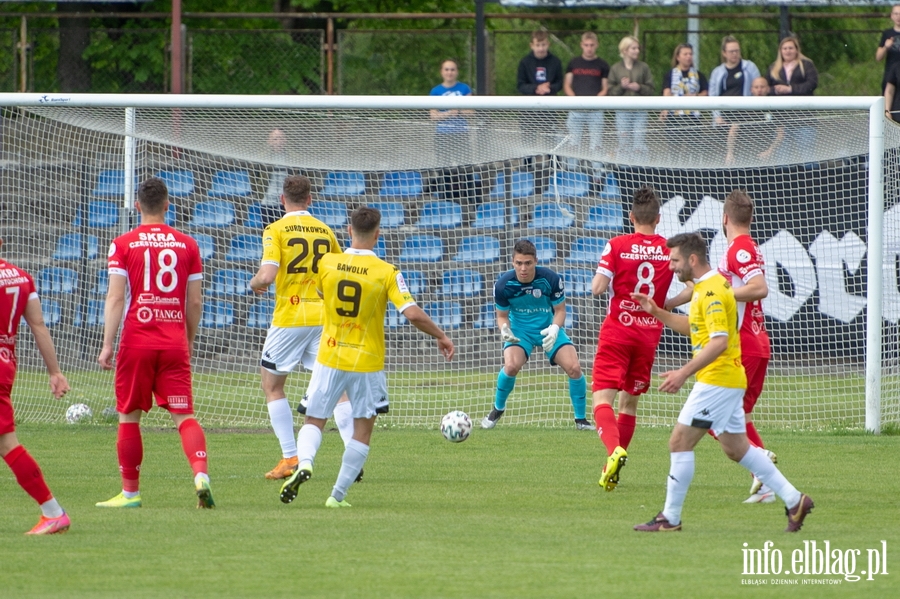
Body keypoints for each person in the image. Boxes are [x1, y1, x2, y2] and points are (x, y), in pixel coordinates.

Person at [631, 232, 813, 533]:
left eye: (675, 260)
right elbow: (694, 327)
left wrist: (683, 372)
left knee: (679, 442)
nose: (672, 267)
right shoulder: (706, 287)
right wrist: (658, 312)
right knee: (737, 448)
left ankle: (670, 518)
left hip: (717, 379)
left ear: (692, 259)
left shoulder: (713, 291)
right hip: (727, 379)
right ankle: (795, 500)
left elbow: (718, 342)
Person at [279, 207, 455, 508]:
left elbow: (322, 294)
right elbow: (411, 313)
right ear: (378, 234)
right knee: (363, 430)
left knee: (314, 419)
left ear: (349, 231)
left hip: (330, 355)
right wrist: (440, 334)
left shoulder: (328, 263)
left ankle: (305, 462)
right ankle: (337, 496)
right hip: (367, 362)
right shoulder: (387, 272)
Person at [97, 177, 214, 509]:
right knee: (184, 415)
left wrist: (107, 345)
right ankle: (200, 474)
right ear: (167, 204)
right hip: (174, 340)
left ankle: (130, 493)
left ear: (137, 206)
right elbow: (194, 302)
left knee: (129, 416)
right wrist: (186, 339)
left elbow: (116, 298)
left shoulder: (122, 244)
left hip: (137, 339)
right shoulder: (188, 245)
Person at [249, 174, 355, 481]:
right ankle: (352, 455)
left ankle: (290, 457)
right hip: (324, 317)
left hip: (291, 318)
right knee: (337, 389)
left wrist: (254, 283)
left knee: (272, 385)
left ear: (282, 200)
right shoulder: (325, 230)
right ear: (310, 199)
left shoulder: (276, 228)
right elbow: (339, 272)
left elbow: (267, 275)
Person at [590, 186, 674, 491]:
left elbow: (598, 288)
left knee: (602, 398)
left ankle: (614, 451)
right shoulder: (669, 249)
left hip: (618, 331)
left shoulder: (616, 245)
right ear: (659, 218)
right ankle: (609, 470)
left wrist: (607, 277)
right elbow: (695, 282)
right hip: (649, 334)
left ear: (631, 216)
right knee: (629, 403)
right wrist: (668, 304)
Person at [0, 239, 71, 534]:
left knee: (7, 443)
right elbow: (38, 325)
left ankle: (52, 511)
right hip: (6, 361)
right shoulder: (21, 277)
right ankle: (52, 511)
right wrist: (54, 371)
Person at [481, 239, 590, 431]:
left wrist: (555, 328)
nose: (523, 268)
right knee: (511, 365)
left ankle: (581, 420)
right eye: (519, 263)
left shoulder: (551, 279)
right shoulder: (503, 285)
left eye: (528, 263)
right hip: (520, 331)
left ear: (536, 261)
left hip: (548, 328)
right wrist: (505, 330)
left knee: (574, 367)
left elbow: (561, 310)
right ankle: (498, 409)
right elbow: (501, 316)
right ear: (512, 262)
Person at [428, 59, 480, 218]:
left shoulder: (464, 88)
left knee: (465, 166)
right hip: (443, 135)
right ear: (442, 72)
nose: (449, 72)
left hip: (460, 134)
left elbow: (470, 111)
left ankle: (472, 200)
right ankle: (445, 201)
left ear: (456, 72)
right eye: (446, 69)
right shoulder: (436, 91)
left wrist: (457, 111)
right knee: (444, 167)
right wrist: (450, 113)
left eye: (452, 69)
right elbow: (433, 116)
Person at [608, 36, 654, 161]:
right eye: (633, 48)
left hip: (640, 110)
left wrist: (639, 87)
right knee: (624, 142)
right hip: (622, 111)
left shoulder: (644, 67)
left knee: (639, 142)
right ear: (625, 50)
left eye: (637, 48)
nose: (637, 51)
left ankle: (640, 172)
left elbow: (651, 90)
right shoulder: (615, 68)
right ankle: (624, 171)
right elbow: (610, 92)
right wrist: (621, 87)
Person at [563, 32, 610, 153]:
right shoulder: (574, 63)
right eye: (586, 45)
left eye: (592, 45)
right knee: (573, 143)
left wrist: (594, 100)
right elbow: (567, 85)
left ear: (597, 45)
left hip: (595, 109)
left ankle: (596, 170)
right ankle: (571, 170)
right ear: (581, 45)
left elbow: (605, 88)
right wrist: (575, 99)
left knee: (596, 144)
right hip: (576, 108)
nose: (589, 48)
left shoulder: (603, 65)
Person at [660, 43, 707, 161]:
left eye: (690, 54)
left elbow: (705, 92)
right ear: (678, 57)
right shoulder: (670, 74)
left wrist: (695, 96)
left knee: (694, 149)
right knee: (674, 150)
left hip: (693, 117)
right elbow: (666, 92)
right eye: (685, 54)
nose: (688, 57)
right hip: (675, 117)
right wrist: (665, 109)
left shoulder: (699, 75)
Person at [724, 77, 784, 165]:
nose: (759, 90)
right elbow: (733, 131)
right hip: (743, 154)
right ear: (751, 90)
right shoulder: (744, 108)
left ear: (768, 89)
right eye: (756, 87)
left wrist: (770, 151)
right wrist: (730, 153)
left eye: (762, 87)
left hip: (765, 155)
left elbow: (780, 133)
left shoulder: (774, 108)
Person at [709, 36, 761, 125]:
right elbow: (712, 96)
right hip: (724, 115)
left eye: (737, 51)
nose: (735, 53)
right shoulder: (717, 72)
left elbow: (759, 87)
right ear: (724, 53)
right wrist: (717, 116)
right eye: (731, 51)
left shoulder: (750, 67)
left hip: (745, 115)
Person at [517, 30, 563, 97]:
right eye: (537, 45)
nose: (541, 49)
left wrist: (549, 88)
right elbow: (521, 85)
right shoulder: (524, 62)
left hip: (550, 99)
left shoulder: (555, 61)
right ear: (531, 46)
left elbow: (560, 83)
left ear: (548, 44)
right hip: (530, 100)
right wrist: (536, 88)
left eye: (543, 45)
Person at [260, 128, 289, 227]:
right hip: (267, 202)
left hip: (287, 202)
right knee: (269, 233)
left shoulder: (293, 157)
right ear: (269, 141)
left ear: (285, 140)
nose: (278, 141)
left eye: (281, 138)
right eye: (275, 139)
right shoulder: (262, 157)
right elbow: (253, 175)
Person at [876, 5, 900, 92]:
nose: (898, 17)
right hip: (890, 76)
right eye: (896, 14)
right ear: (892, 16)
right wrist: (886, 47)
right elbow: (878, 57)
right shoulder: (887, 34)